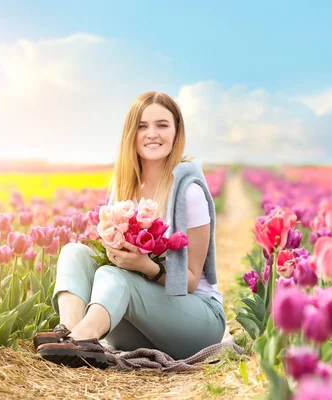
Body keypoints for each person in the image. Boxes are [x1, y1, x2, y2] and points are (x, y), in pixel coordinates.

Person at [34, 91, 225, 369]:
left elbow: (192, 280)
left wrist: (146, 266)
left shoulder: (188, 191)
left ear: (176, 132)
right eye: (142, 126)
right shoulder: (123, 186)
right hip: (139, 322)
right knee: (74, 251)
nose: (152, 134)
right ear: (131, 134)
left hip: (195, 323)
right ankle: (70, 333)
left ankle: (83, 339)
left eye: (162, 125)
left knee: (114, 276)